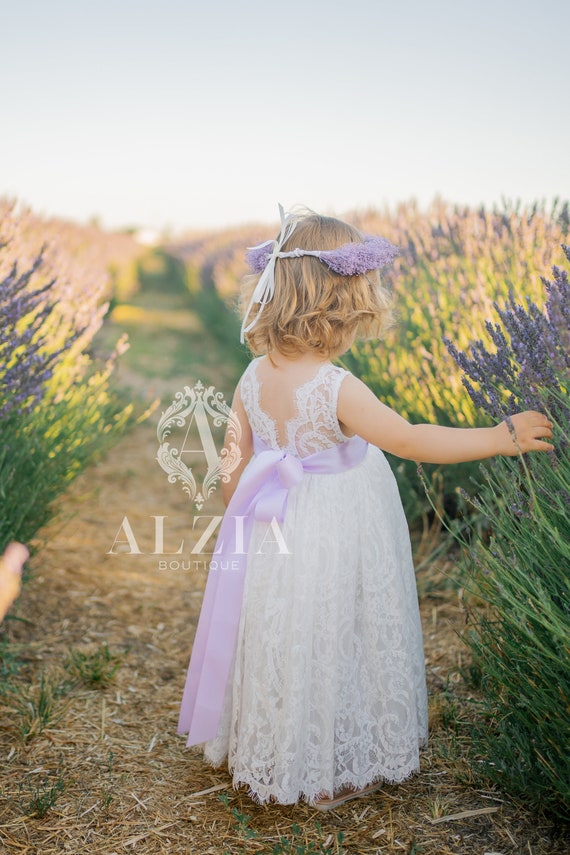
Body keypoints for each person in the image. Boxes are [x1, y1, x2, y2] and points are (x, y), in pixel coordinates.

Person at [177, 206, 553, 809]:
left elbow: (232, 459)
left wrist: (243, 509)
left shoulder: (251, 375)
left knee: (290, 632)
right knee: (338, 628)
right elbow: (408, 438)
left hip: (276, 525)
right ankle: (329, 764)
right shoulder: (335, 386)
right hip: (340, 526)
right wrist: (496, 437)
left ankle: (285, 750)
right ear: (341, 305)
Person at [0, 542, 28, 622]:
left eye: (20, 561)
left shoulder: (15, 578)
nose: (17, 564)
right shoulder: (2, 570)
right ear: (7, 555)